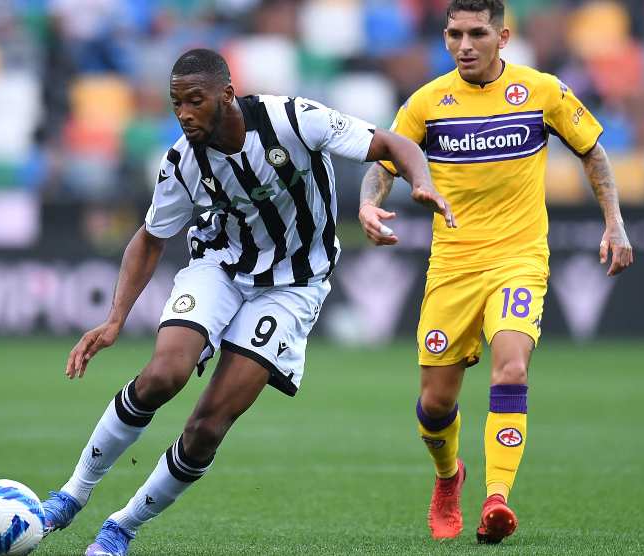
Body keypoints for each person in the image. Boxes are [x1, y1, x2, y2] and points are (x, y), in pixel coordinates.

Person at [40, 48, 455, 555]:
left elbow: (392, 144)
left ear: (227, 94)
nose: (185, 114)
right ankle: (71, 495)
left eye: (196, 101)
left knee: (208, 426)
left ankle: (121, 527)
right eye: (177, 104)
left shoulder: (294, 120)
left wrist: (420, 183)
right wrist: (113, 320)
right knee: (163, 375)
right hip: (222, 266)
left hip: (294, 286)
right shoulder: (184, 160)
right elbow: (150, 237)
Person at [358, 0, 633, 545]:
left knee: (511, 371)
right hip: (453, 266)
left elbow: (593, 153)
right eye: (455, 34)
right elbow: (382, 160)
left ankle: (497, 500)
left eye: (477, 33)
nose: (465, 45)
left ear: (502, 36)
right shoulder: (427, 102)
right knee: (436, 404)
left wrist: (615, 224)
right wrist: (369, 203)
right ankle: (448, 477)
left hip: (519, 259)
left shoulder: (541, 90)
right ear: (444, 36)